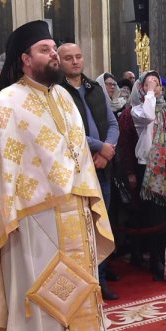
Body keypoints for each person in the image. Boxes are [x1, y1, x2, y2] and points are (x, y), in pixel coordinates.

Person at [0, 20, 113, 331]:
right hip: (31, 215)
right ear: (26, 59)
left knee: (76, 280)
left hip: (73, 207)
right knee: (39, 283)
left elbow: (76, 150)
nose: (54, 55)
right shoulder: (6, 103)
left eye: (54, 48)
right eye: (45, 50)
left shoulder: (63, 97)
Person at [58, 42, 121, 298]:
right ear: (59, 62)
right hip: (77, 169)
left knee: (101, 224)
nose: (75, 62)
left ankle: (101, 277)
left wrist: (109, 149)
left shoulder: (93, 88)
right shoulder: (57, 92)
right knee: (79, 227)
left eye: (78, 57)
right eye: (69, 58)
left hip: (102, 167)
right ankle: (84, 278)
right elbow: (65, 132)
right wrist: (99, 146)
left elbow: (112, 122)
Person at [129, 71, 166, 279]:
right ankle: (153, 260)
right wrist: (149, 92)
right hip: (147, 165)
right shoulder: (138, 109)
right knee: (151, 215)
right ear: (142, 88)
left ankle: (165, 255)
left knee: (165, 214)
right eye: (150, 83)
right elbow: (149, 116)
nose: (155, 86)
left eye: (157, 83)